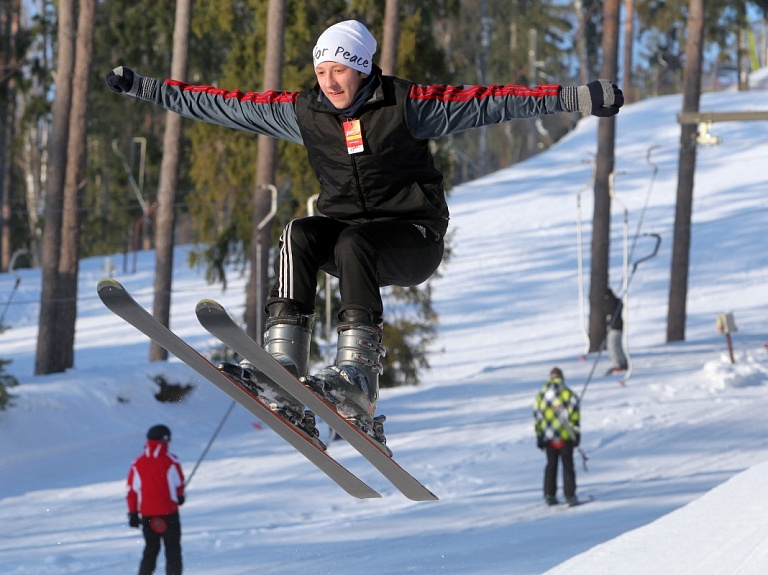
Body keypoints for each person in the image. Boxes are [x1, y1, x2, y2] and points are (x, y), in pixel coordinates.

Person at [105, 20, 623, 446]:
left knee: (354, 241)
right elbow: (219, 103)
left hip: (412, 239)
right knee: (302, 233)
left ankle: (357, 380)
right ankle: (283, 361)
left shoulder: (409, 105)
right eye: (322, 71)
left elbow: (495, 101)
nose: (330, 82)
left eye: (341, 71)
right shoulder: (305, 113)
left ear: (364, 69)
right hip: (351, 238)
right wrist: (143, 87)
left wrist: (578, 97)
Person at [127, 424, 185, 575]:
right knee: (172, 550)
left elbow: (132, 491)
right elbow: (178, 484)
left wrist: (133, 513)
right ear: (165, 440)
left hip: (147, 515)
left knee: (151, 550)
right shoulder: (170, 460)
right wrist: (179, 496)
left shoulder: (137, 463)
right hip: (169, 513)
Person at [533, 367, 580, 506]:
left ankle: (549, 494)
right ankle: (570, 495)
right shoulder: (568, 394)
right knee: (567, 465)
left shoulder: (541, 396)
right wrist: (576, 434)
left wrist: (539, 435)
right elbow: (575, 416)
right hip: (565, 436)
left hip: (548, 437)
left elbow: (537, 416)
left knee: (551, 465)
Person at [604, 288, 628, 374]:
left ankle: (618, 364)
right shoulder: (616, 302)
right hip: (617, 326)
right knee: (617, 346)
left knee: (612, 346)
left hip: (615, 327)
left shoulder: (612, 303)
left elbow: (609, 311)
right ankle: (623, 362)